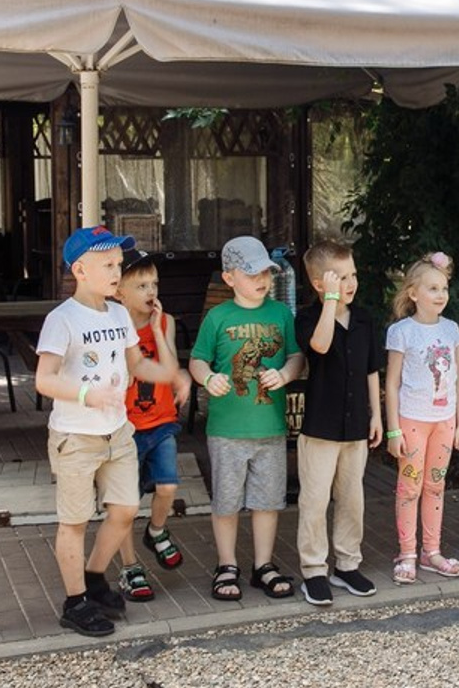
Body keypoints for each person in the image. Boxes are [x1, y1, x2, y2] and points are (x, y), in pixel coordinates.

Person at [35, 226, 178, 637]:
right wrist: (85, 393)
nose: (118, 271)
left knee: (125, 509)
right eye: (108, 264)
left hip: (118, 431)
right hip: (75, 437)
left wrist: (168, 371)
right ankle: (75, 601)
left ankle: (95, 576)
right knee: (75, 521)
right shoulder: (61, 319)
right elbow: (44, 379)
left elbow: (136, 365)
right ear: (80, 269)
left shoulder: (118, 314)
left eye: (119, 263)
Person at [189, 235, 303, 603]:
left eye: (266, 273)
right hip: (226, 428)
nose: (262, 280)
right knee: (226, 501)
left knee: (267, 501)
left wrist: (285, 375)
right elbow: (197, 359)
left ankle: (263, 565)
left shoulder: (280, 314)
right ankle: (226, 564)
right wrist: (208, 378)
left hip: (270, 426)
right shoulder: (218, 317)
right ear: (229, 278)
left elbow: (296, 357)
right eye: (252, 273)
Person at [294, 238, 383, 606]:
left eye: (353, 275)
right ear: (319, 283)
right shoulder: (308, 317)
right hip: (321, 427)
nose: (351, 283)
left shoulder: (364, 320)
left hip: (356, 425)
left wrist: (377, 414)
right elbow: (320, 346)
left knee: (352, 498)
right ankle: (314, 569)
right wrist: (330, 303)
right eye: (341, 277)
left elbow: (370, 369)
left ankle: (347, 563)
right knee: (314, 500)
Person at [112, 250, 189, 603]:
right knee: (124, 503)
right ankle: (129, 566)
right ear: (119, 291)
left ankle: (156, 530)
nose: (150, 291)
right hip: (124, 427)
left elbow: (171, 367)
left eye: (154, 284)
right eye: (141, 285)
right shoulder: (112, 325)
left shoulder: (165, 321)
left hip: (160, 422)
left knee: (168, 486)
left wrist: (157, 332)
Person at [384, 252, 459, 585]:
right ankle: (407, 554)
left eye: (444, 288)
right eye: (432, 288)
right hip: (412, 422)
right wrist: (393, 430)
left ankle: (431, 551)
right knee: (409, 487)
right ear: (413, 293)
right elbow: (391, 383)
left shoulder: (452, 330)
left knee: (435, 485)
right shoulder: (402, 331)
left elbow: (458, 376)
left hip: (444, 422)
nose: (441, 295)